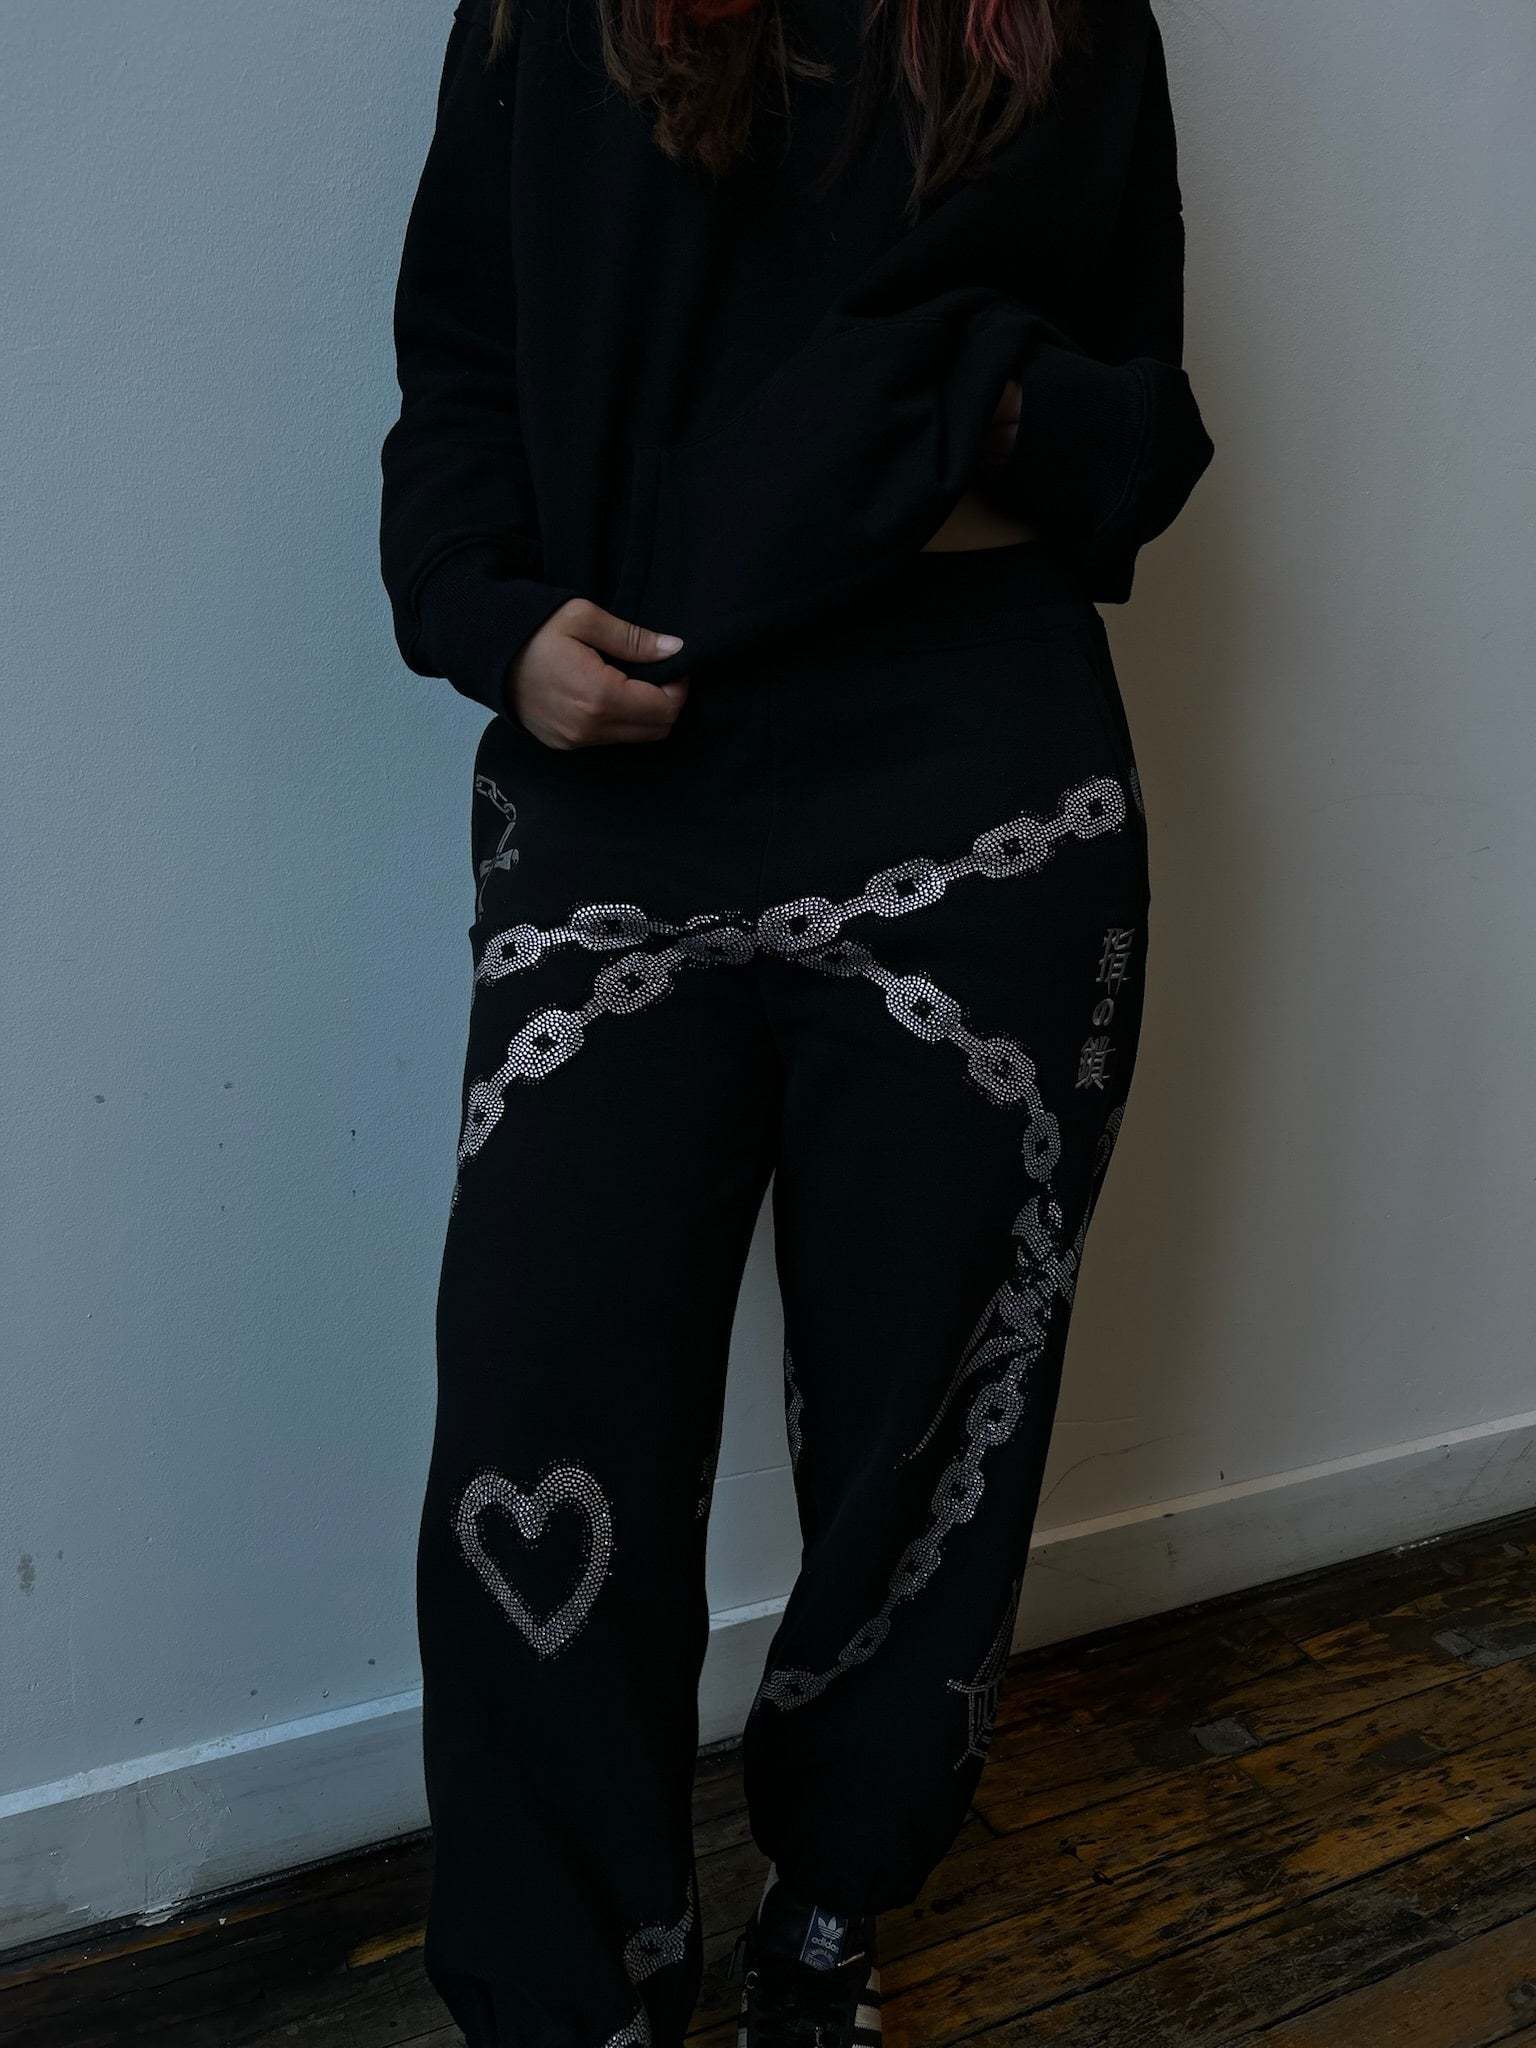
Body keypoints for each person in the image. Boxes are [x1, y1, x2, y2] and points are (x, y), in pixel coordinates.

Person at [379, 1, 1213, 2042]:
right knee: (542, 1403)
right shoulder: (545, 10)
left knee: (929, 1412)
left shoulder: (1062, 16)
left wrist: (976, 412)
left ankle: (833, 1910)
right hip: (620, 775)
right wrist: (491, 623)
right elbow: (460, 361)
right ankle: (569, 1999)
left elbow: (1143, 413)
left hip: (980, 757)